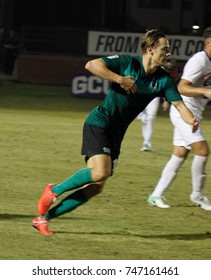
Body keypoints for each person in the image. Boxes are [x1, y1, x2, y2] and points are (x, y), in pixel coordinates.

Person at [32, 29, 198, 235]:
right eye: (165, 49)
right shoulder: (128, 63)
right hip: (100, 123)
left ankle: (43, 219)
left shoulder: (164, 80)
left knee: (96, 186)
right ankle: (54, 190)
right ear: (150, 49)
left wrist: (191, 119)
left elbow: (180, 106)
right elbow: (91, 65)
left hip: (117, 134)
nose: (169, 54)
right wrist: (120, 79)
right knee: (100, 171)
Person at [148, 26, 211, 210]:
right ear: (208, 43)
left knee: (180, 155)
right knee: (202, 150)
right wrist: (205, 91)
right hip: (184, 111)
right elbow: (182, 87)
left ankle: (155, 195)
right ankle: (197, 195)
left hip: (195, 111)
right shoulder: (199, 60)